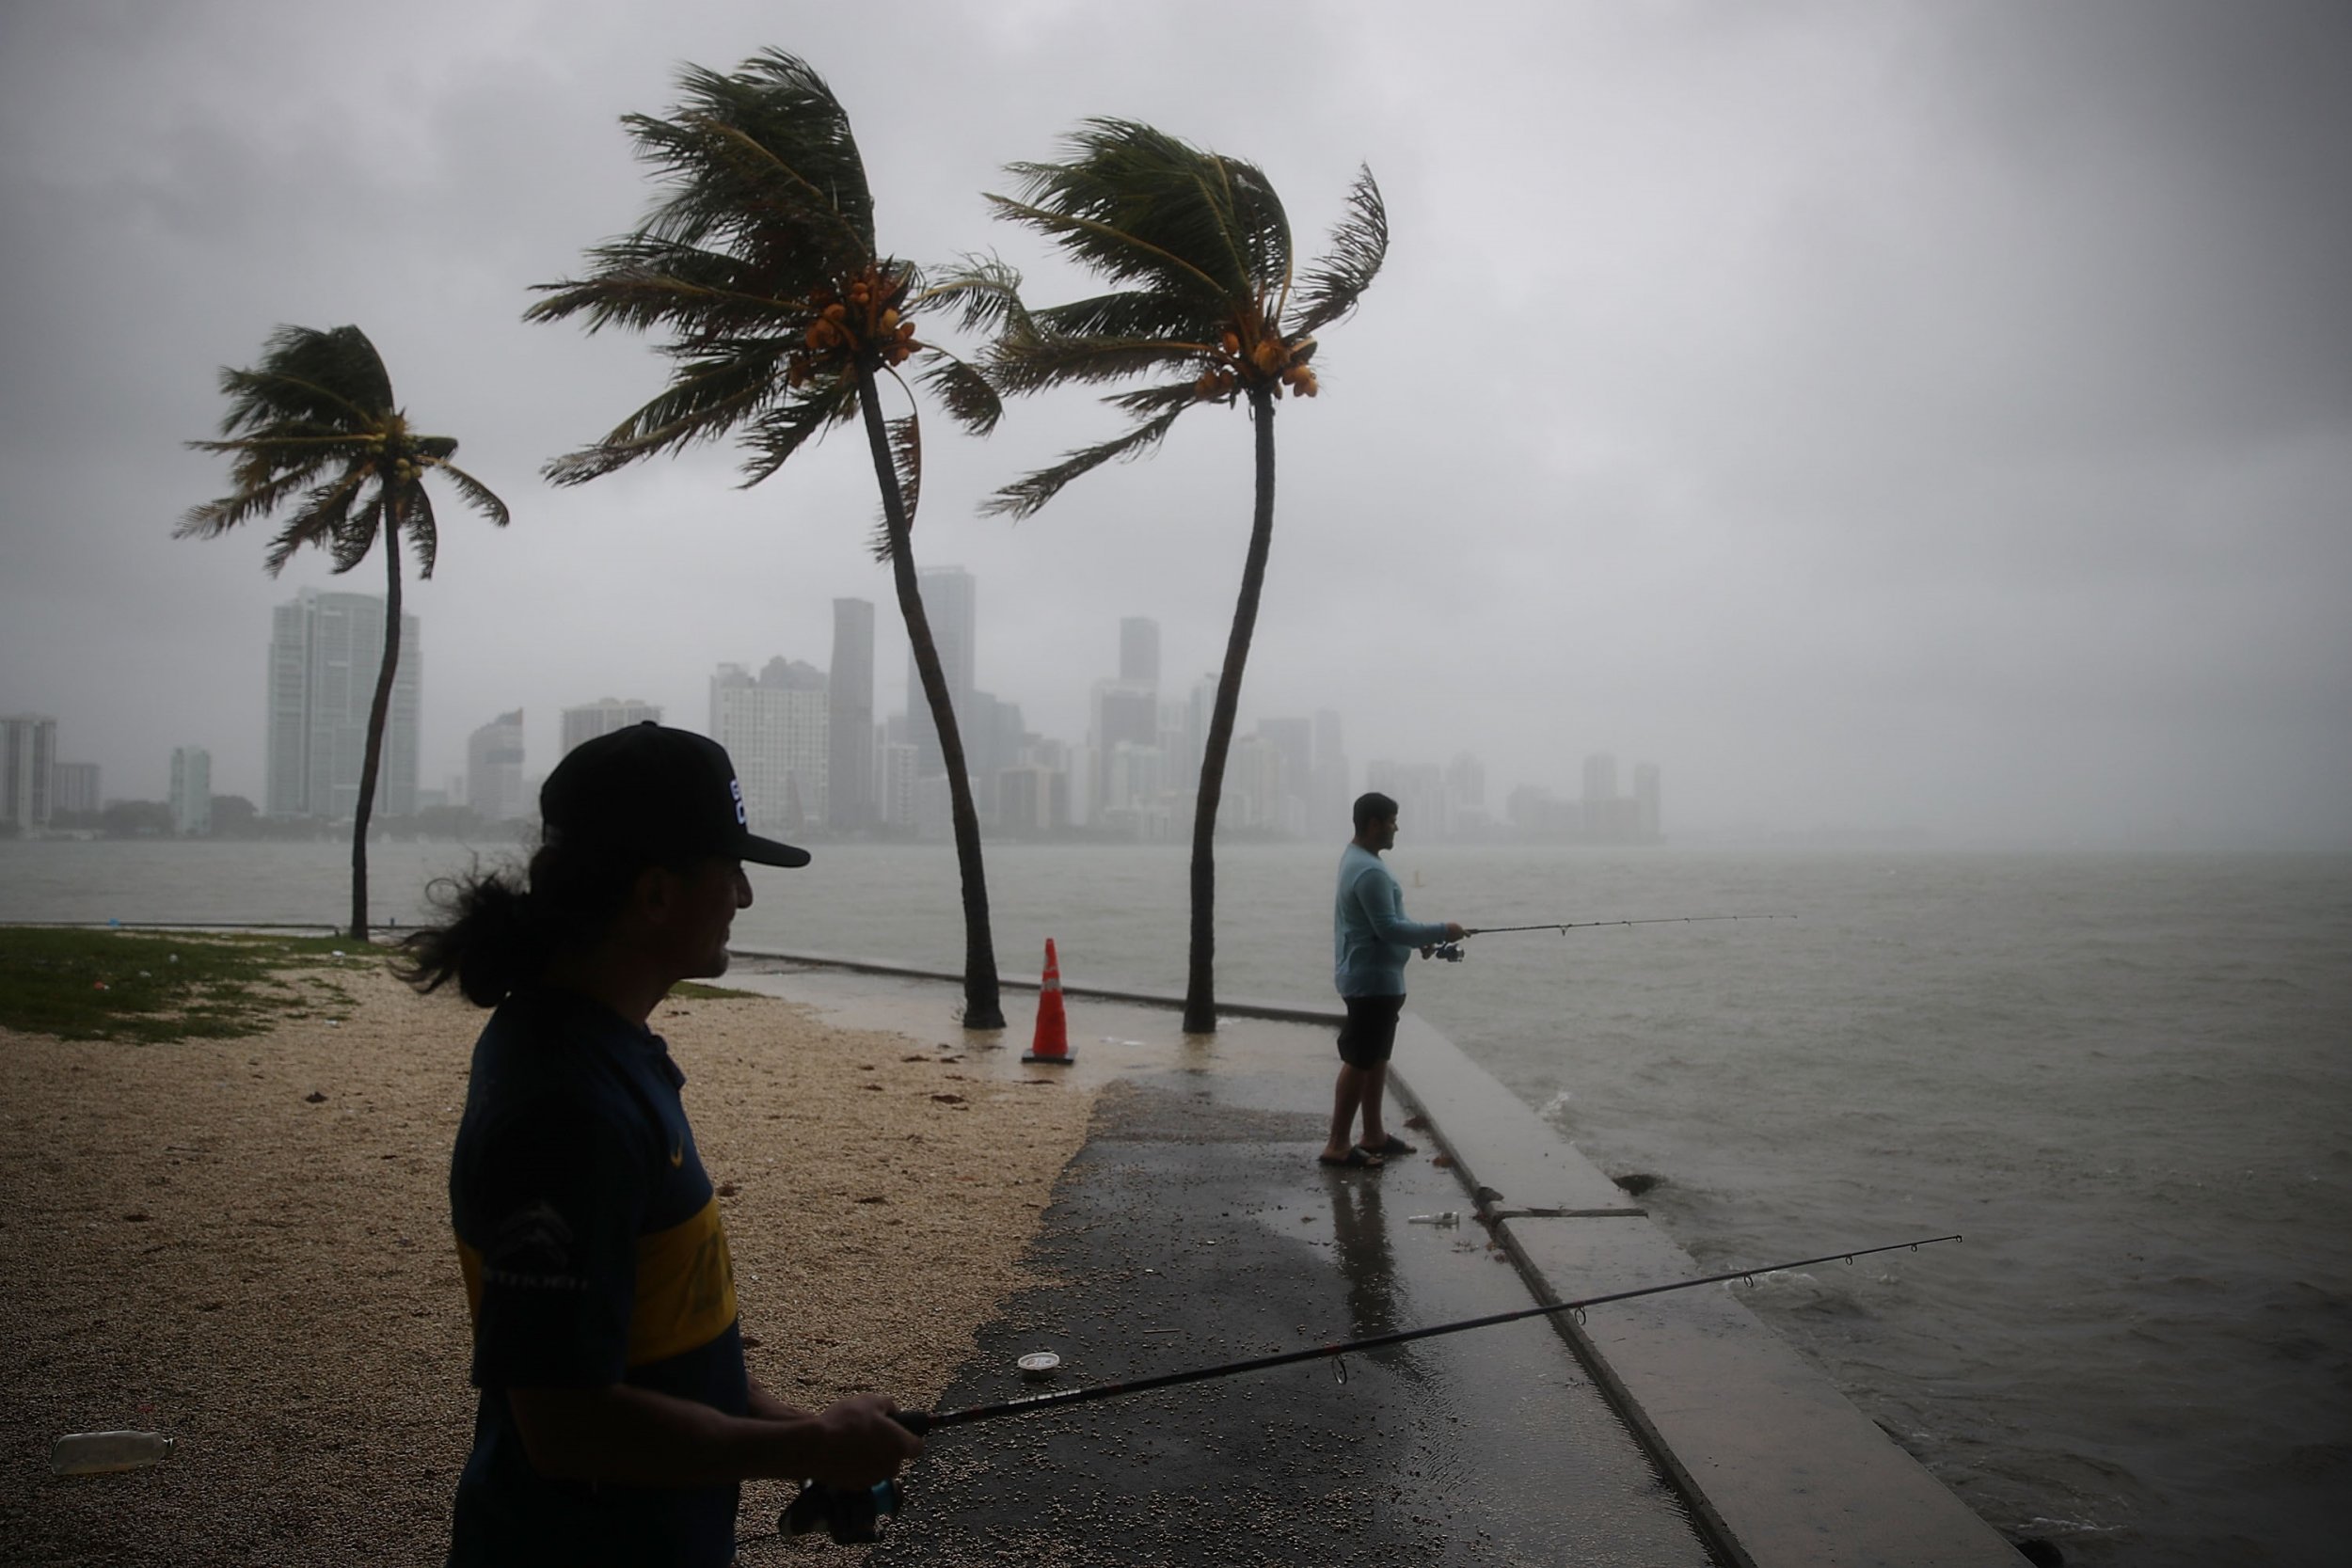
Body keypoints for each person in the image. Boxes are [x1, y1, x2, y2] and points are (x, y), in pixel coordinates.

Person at [398, 722, 919, 1566]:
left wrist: (800, 1426)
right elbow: (567, 1424)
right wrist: (808, 1450)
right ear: (654, 894)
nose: (745, 896)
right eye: (731, 869)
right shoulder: (566, 1108)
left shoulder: (595, 1044)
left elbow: (654, 1347)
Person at [1324, 791, 1463, 1169]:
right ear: (1373, 824)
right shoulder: (1369, 870)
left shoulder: (1357, 859)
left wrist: (1421, 939)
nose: (1396, 828)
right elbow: (1387, 928)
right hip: (1371, 982)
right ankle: (1337, 1144)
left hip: (1377, 978)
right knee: (1359, 1059)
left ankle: (1373, 1135)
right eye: (1391, 821)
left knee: (1376, 1057)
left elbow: (1381, 926)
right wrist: (1442, 929)